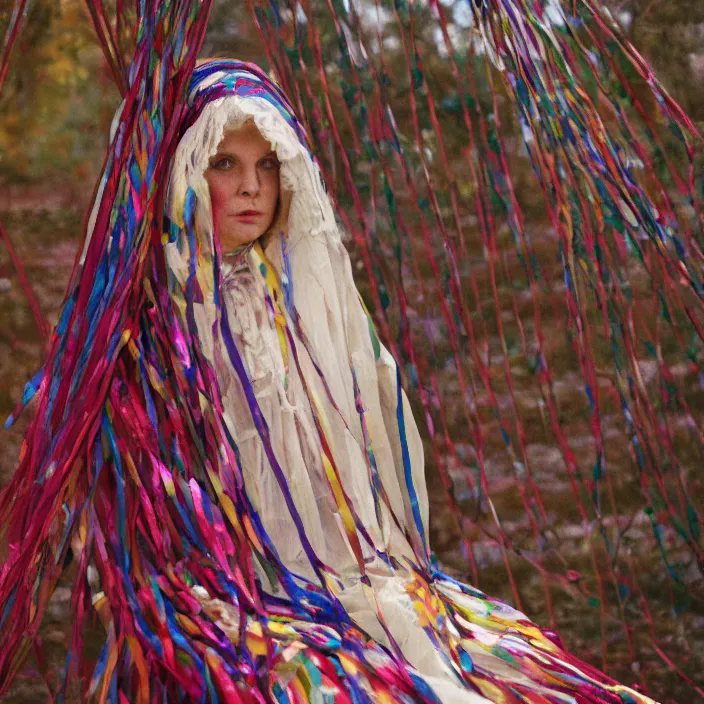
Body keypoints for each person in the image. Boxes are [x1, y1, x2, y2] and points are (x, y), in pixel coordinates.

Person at [0, 59, 657, 703]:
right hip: (209, 581)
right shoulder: (149, 323)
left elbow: (333, 456)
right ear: (180, 173)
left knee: (410, 635)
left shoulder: (287, 301)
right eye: (225, 163)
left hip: (317, 565)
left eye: (267, 166)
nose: (253, 187)